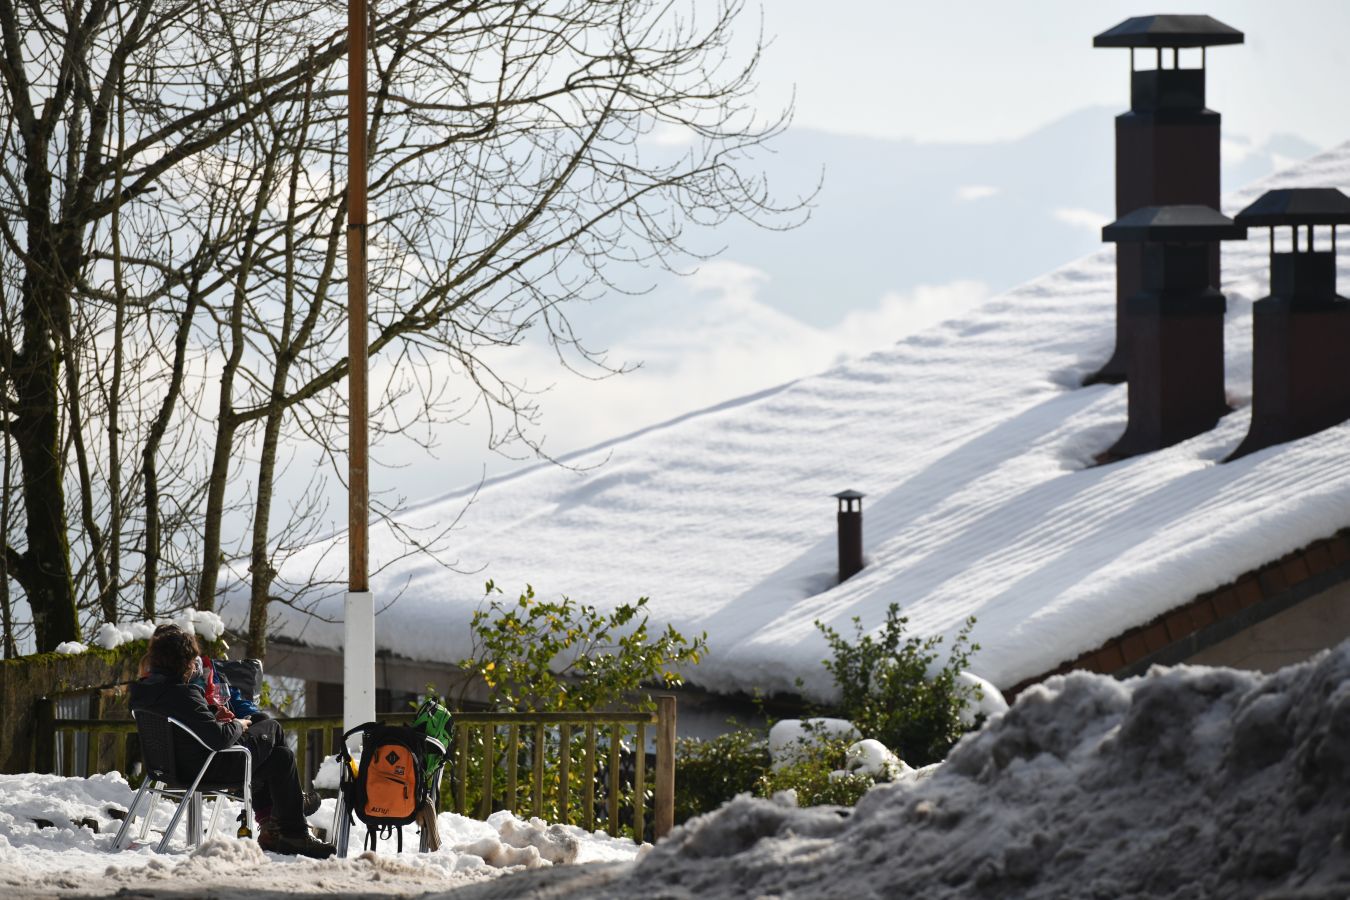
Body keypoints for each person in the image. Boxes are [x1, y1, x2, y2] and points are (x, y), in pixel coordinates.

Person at [129, 626, 333, 859]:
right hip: (207, 769)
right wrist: (238, 725)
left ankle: (285, 831)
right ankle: (287, 817)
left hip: (169, 767)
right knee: (271, 727)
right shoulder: (185, 694)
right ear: (184, 662)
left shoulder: (144, 691)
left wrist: (213, 715)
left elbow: (190, 725)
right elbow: (219, 739)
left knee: (281, 758)